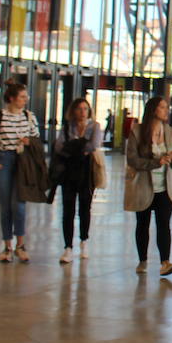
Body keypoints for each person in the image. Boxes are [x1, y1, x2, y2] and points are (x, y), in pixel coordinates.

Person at [0, 78, 41, 264]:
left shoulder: (29, 117)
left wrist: (29, 142)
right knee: (5, 204)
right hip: (3, 160)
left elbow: (36, 139)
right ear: (12, 98)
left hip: (23, 162)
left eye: (25, 97)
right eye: (22, 97)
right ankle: (7, 246)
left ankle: (20, 245)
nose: (25, 100)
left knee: (19, 203)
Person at [125, 96, 172, 276]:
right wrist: (156, 162)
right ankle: (142, 260)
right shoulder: (137, 131)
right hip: (143, 185)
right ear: (153, 110)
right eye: (162, 107)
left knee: (164, 223)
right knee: (142, 223)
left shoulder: (171, 132)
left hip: (165, 186)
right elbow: (132, 159)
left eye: (167, 107)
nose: (166, 111)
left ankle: (165, 262)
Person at [52, 98, 101, 264]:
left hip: (87, 173)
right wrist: (79, 148)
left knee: (85, 208)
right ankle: (68, 247)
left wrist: (75, 147)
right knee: (68, 209)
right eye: (79, 109)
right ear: (73, 111)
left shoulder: (94, 127)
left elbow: (93, 145)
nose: (82, 112)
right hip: (69, 172)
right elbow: (59, 146)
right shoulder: (67, 128)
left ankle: (84, 240)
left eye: (85, 109)